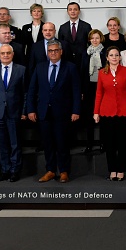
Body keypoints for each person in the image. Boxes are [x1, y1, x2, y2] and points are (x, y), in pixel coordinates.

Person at [27, 40, 81, 183]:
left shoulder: (70, 67)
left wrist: (76, 110)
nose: (53, 53)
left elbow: (76, 91)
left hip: (62, 112)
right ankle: (50, 170)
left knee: (62, 143)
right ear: (47, 52)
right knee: (47, 143)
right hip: (43, 112)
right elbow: (32, 90)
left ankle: (63, 171)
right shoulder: (40, 67)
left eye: (56, 50)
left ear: (61, 51)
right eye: (50, 51)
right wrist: (30, 109)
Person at [94, 46, 126, 181]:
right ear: (107, 58)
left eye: (116, 55)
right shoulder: (102, 73)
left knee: (123, 143)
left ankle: (121, 170)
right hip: (107, 112)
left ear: (120, 57)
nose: (114, 57)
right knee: (109, 144)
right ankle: (112, 170)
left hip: (124, 112)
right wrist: (96, 112)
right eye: (111, 55)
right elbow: (99, 93)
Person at [0, 44, 27, 183]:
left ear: (12, 54)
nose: (6, 55)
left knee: (15, 144)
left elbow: (25, 93)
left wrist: (24, 111)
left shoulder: (21, 70)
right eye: (3, 53)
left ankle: (15, 171)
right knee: (2, 144)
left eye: (8, 53)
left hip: (15, 112)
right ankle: (5, 170)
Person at [80, 29, 106, 152]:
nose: (94, 40)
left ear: (101, 39)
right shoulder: (85, 53)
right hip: (88, 87)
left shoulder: (105, 52)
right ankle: (89, 144)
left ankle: (103, 143)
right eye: (92, 38)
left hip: (102, 87)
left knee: (103, 115)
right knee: (89, 116)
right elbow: (81, 72)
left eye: (97, 38)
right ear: (89, 40)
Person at [58, 2, 93, 67]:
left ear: (79, 11)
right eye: (70, 9)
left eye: (75, 9)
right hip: (67, 60)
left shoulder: (86, 26)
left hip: (83, 60)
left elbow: (91, 44)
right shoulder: (62, 27)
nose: (73, 11)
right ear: (67, 12)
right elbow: (60, 45)